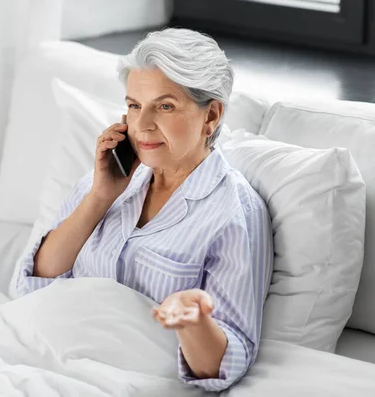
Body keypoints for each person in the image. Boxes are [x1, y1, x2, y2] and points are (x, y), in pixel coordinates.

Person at [14, 27, 273, 392]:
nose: (142, 125)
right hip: (40, 357)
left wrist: (191, 321)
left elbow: (225, 365)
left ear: (211, 116)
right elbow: (30, 287)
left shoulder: (233, 213)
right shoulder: (105, 182)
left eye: (164, 106)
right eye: (134, 105)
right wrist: (100, 197)